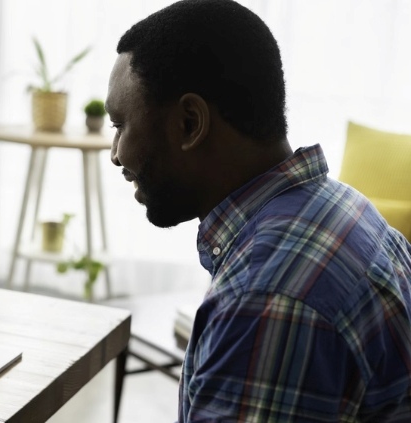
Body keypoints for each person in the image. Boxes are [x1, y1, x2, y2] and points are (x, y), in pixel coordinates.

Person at [105, 0, 411, 421]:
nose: (116, 155)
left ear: (190, 123)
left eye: (120, 126)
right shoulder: (347, 207)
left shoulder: (265, 300)